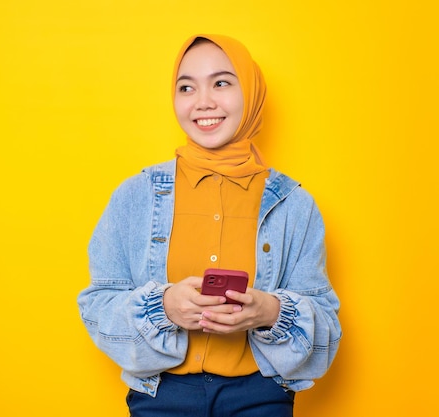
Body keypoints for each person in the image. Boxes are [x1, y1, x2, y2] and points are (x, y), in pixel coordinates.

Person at [77, 34, 341, 417]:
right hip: (160, 395)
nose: (203, 102)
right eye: (187, 87)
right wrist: (164, 306)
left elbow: (326, 327)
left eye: (221, 82)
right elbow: (96, 305)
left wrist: (270, 311)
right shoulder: (135, 196)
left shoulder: (293, 204)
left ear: (250, 92)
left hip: (260, 395)